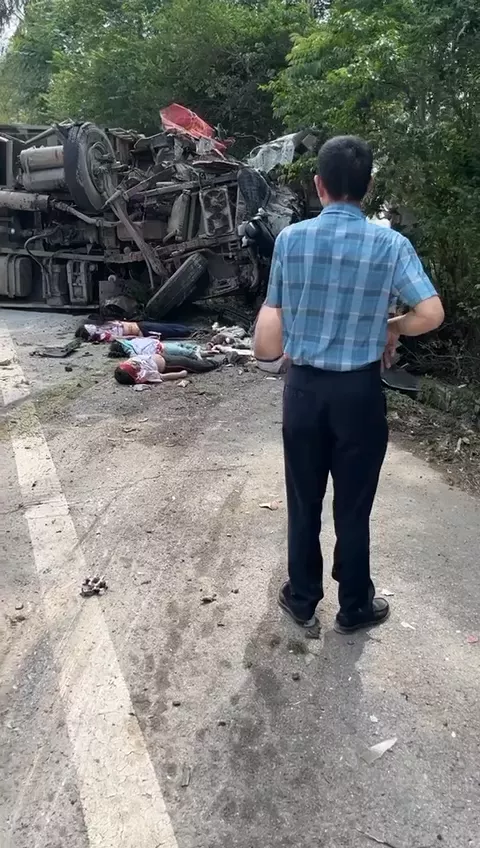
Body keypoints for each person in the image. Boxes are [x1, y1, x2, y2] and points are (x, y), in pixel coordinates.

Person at [254, 135, 444, 636]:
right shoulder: (390, 244)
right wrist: (393, 326)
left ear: (318, 185)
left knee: (303, 501)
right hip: (360, 395)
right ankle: (354, 605)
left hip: (304, 392)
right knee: (354, 506)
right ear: (369, 187)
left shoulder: (291, 240)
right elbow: (431, 312)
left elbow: (270, 328)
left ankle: (301, 599)